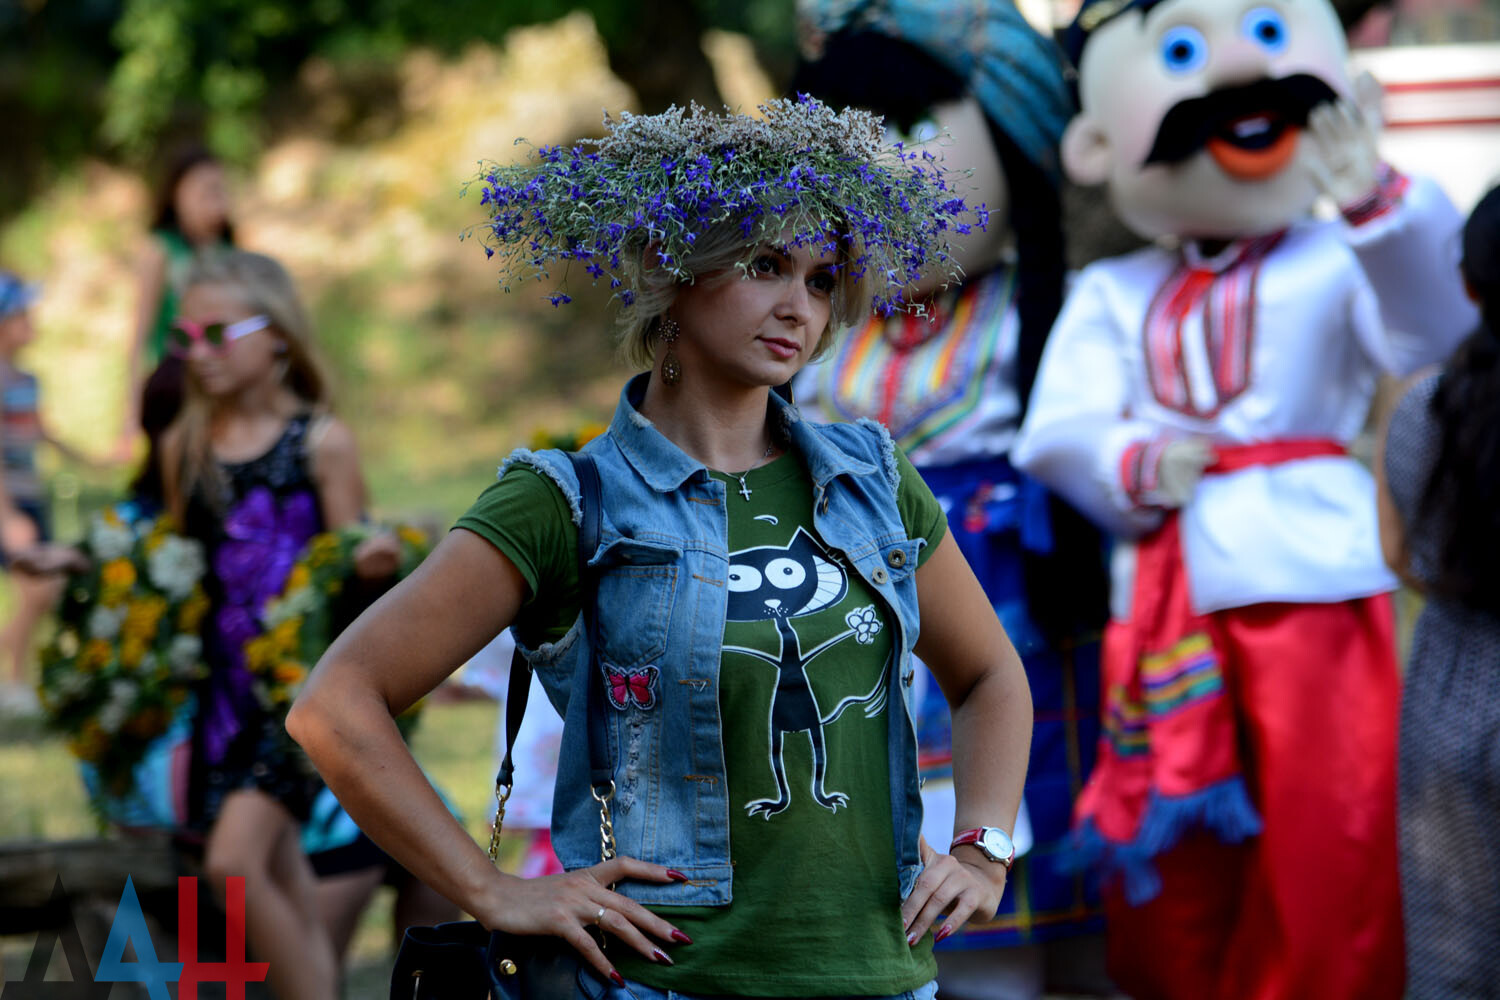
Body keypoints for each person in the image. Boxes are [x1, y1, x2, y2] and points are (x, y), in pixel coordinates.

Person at [288, 96, 1034, 998]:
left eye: (823, 279)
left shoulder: (872, 477)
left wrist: (984, 848)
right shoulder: (565, 503)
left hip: (884, 976)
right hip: (668, 984)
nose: (798, 305)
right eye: (765, 265)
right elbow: (334, 706)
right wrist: (492, 890)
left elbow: (991, 677)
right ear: (668, 264)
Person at [1010, 0, 1478, 995]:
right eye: (1181, 52)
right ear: (1094, 146)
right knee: (1179, 845)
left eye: (1266, 35)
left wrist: (1375, 205)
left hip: (1314, 579)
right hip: (1168, 589)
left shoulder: (1337, 258)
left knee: (1331, 826)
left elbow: (1436, 336)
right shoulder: (1113, 289)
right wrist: (1138, 459)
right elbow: (1058, 430)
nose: (1231, 78)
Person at [790, 4, 1112, 997]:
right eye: (852, 133)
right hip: (854, 616)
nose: (880, 165)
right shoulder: (818, 328)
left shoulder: (1045, 311)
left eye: (913, 129)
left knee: (1036, 823)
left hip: (1019, 603)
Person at [159, 249, 395, 1000]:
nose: (200, 353)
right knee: (276, 871)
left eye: (219, 333)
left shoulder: (322, 444)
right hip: (217, 700)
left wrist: (374, 563)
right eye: (187, 335)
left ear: (279, 337)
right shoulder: (184, 449)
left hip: (294, 699)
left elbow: (358, 582)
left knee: (232, 866)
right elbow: (172, 571)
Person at [1378, 183, 1500, 999]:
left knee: (1457, 965)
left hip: (1452, 696)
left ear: (1469, 285)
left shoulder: (1421, 408)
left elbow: (1403, 559)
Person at [0, 270, 103, 714]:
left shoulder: (28, 380)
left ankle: (13, 671)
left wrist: (95, 461)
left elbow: (43, 432)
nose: (32, 323)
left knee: (44, 589)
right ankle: (15, 680)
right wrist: (6, 515)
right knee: (37, 589)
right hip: (9, 502)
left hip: (32, 497)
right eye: (23, 314)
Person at [123, 145, 235, 458]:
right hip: (176, 384)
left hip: (223, 384)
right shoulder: (161, 250)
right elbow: (140, 333)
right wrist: (131, 414)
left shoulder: (229, 251)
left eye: (220, 190)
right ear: (176, 195)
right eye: (205, 191)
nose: (215, 200)